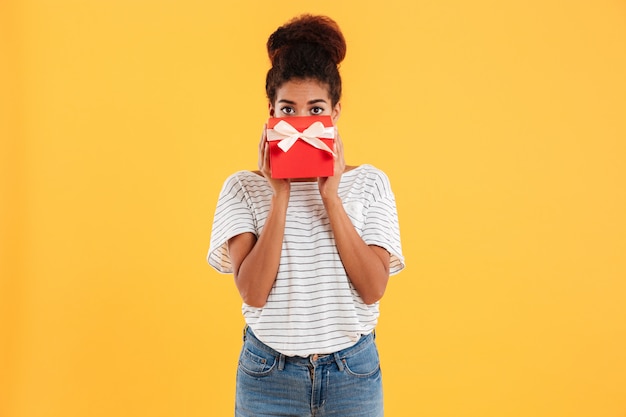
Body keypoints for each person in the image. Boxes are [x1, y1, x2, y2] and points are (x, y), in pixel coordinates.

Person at [207, 14, 405, 417]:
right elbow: (253, 293)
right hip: (268, 377)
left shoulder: (370, 183)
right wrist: (278, 194)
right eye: (288, 109)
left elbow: (372, 288)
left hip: (353, 374)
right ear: (270, 113)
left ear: (334, 113)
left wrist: (330, 194)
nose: (300, 123)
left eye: (315, 108)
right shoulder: (242, 188)